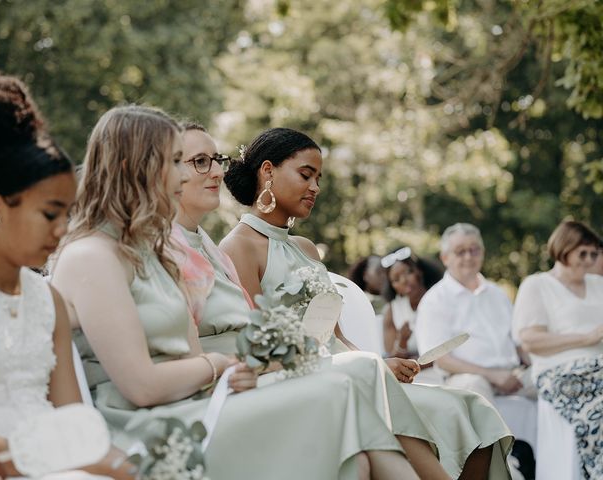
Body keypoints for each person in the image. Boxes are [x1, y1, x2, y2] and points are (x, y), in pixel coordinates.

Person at [51, 108, 422, 480]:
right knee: (337, 399)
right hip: (148, 427)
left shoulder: (156, 254)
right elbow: (142, 386)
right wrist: (220, 367)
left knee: (350, 447)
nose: (184, 176)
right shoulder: (91, 256)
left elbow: (192, 351)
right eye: (175, 162)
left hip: (198, 398)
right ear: (134, 167)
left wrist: (233, 375)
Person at [220, 127, 514, 480]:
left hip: (359, 373)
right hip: (309, 383)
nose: (315, 187)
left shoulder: (306, 249)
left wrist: (382, 363)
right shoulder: (238, 248)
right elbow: (260, 349)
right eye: (305, 174)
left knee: (469, 408)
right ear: (267, 171)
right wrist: (366, 369)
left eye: (319, 178)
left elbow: (338, 338)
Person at [0, 72, 130, 478]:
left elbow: (74, 421)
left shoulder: (48, 299)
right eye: (49, 214)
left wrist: (112, 461)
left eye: (67, 214)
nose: (61, 230)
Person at [513, 220, 603, 479]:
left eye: (593, 254)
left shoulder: (598, 284)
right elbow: (531, 341)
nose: (588, 261)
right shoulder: (537, 285)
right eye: (581, 254)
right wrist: (587, 337)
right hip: (557, 372)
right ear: (563, 250)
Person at [415, 223, 532, 404]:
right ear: (445, 258)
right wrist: (492, 375)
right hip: (466, 377)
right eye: (460, 251)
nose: (468, 256)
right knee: (474, 387)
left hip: (513, 374)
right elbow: (441, 359)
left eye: (474, 250)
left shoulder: (497, 293)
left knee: (553, 376)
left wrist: (537, 364)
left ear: (482, 253)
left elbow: (518, 343)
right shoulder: (435, 300)